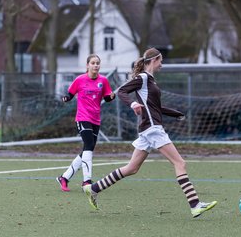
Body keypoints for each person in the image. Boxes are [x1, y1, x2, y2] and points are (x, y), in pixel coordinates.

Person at [83, 48, 217, 218]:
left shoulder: (151, 80)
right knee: (180, 163)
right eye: (161, 60)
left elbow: (154, 107)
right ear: (154, 60)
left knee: (132, 168)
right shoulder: (144, 78)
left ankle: (94, 189)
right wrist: (132, 104)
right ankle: (195, 204)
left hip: (148, 128)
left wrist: (174, 113)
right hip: (153, 129)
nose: (162, 64)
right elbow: (122, 91)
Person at [56, 54, 115, 192]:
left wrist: (111, 97)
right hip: (83, 118)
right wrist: (66, 98)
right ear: (87, 65)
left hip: (96, 119)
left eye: (97, 63)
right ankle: (86, 181)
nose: (95, 65)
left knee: (87, 150)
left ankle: (64, 178)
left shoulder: (104, 81)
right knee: (88, 145)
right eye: (93, 63)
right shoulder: (80, 80)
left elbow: (107, 98)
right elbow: (70, 94)